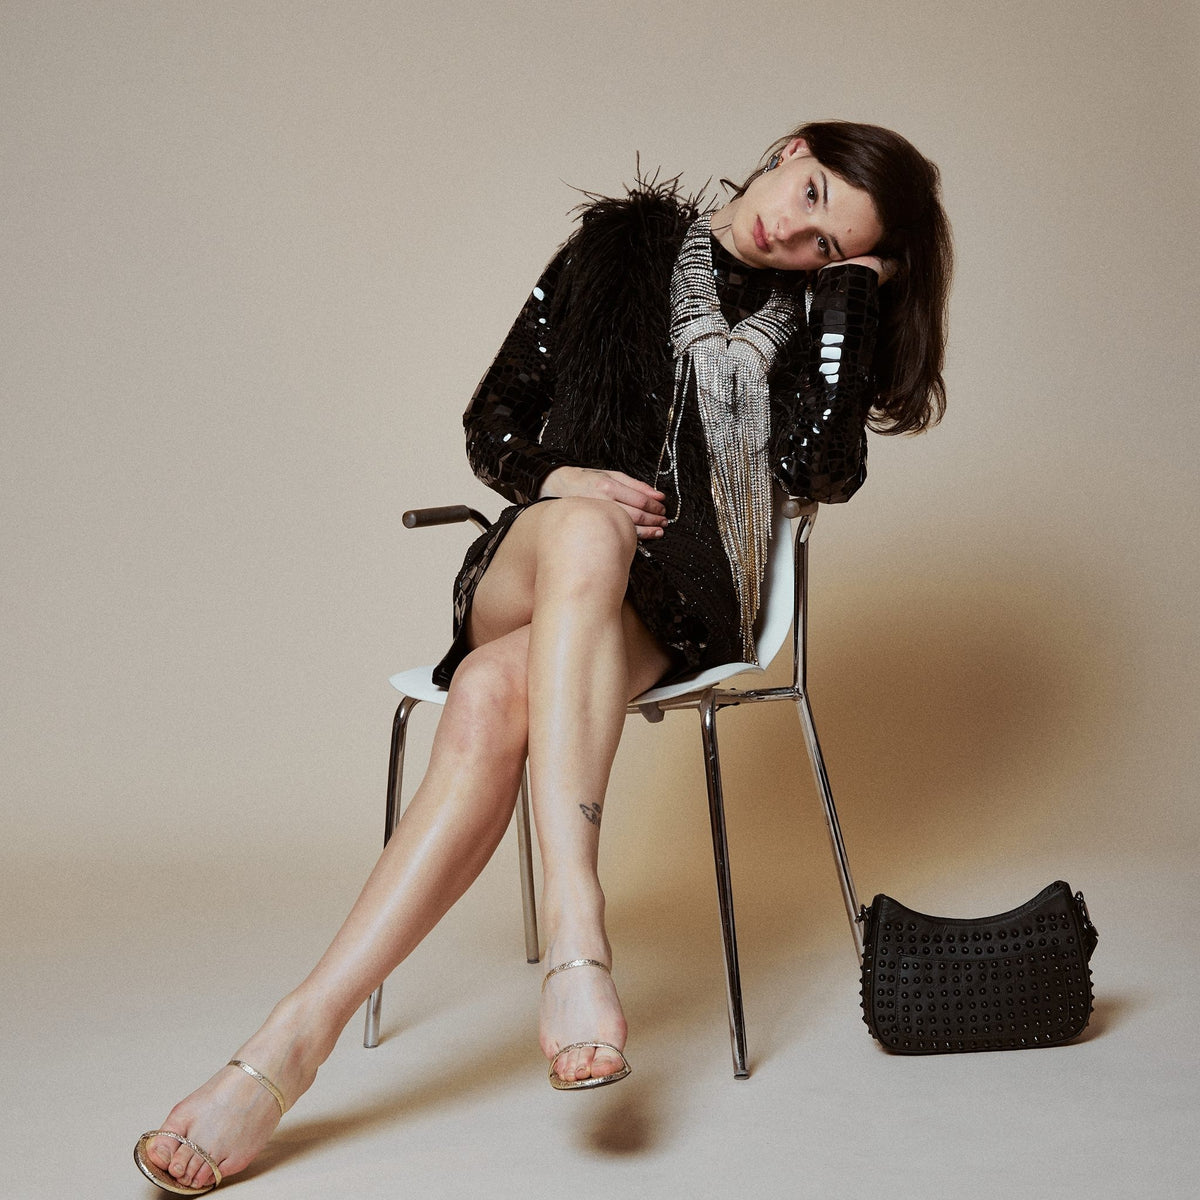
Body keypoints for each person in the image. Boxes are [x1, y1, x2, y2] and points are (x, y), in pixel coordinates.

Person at [134, 120, 952, 1195]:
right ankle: (579, 932)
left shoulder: (813, 320)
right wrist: (560, 482)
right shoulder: (614, 252)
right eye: (806, 193)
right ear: (790, 147)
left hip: (670, 609)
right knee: (586, 529)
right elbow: (494, 421)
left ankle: (289, 1041)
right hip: (531, 562)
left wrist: (846, 297)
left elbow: (824, 470)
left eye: (825, 245)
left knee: (485, 698)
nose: (792, 233)